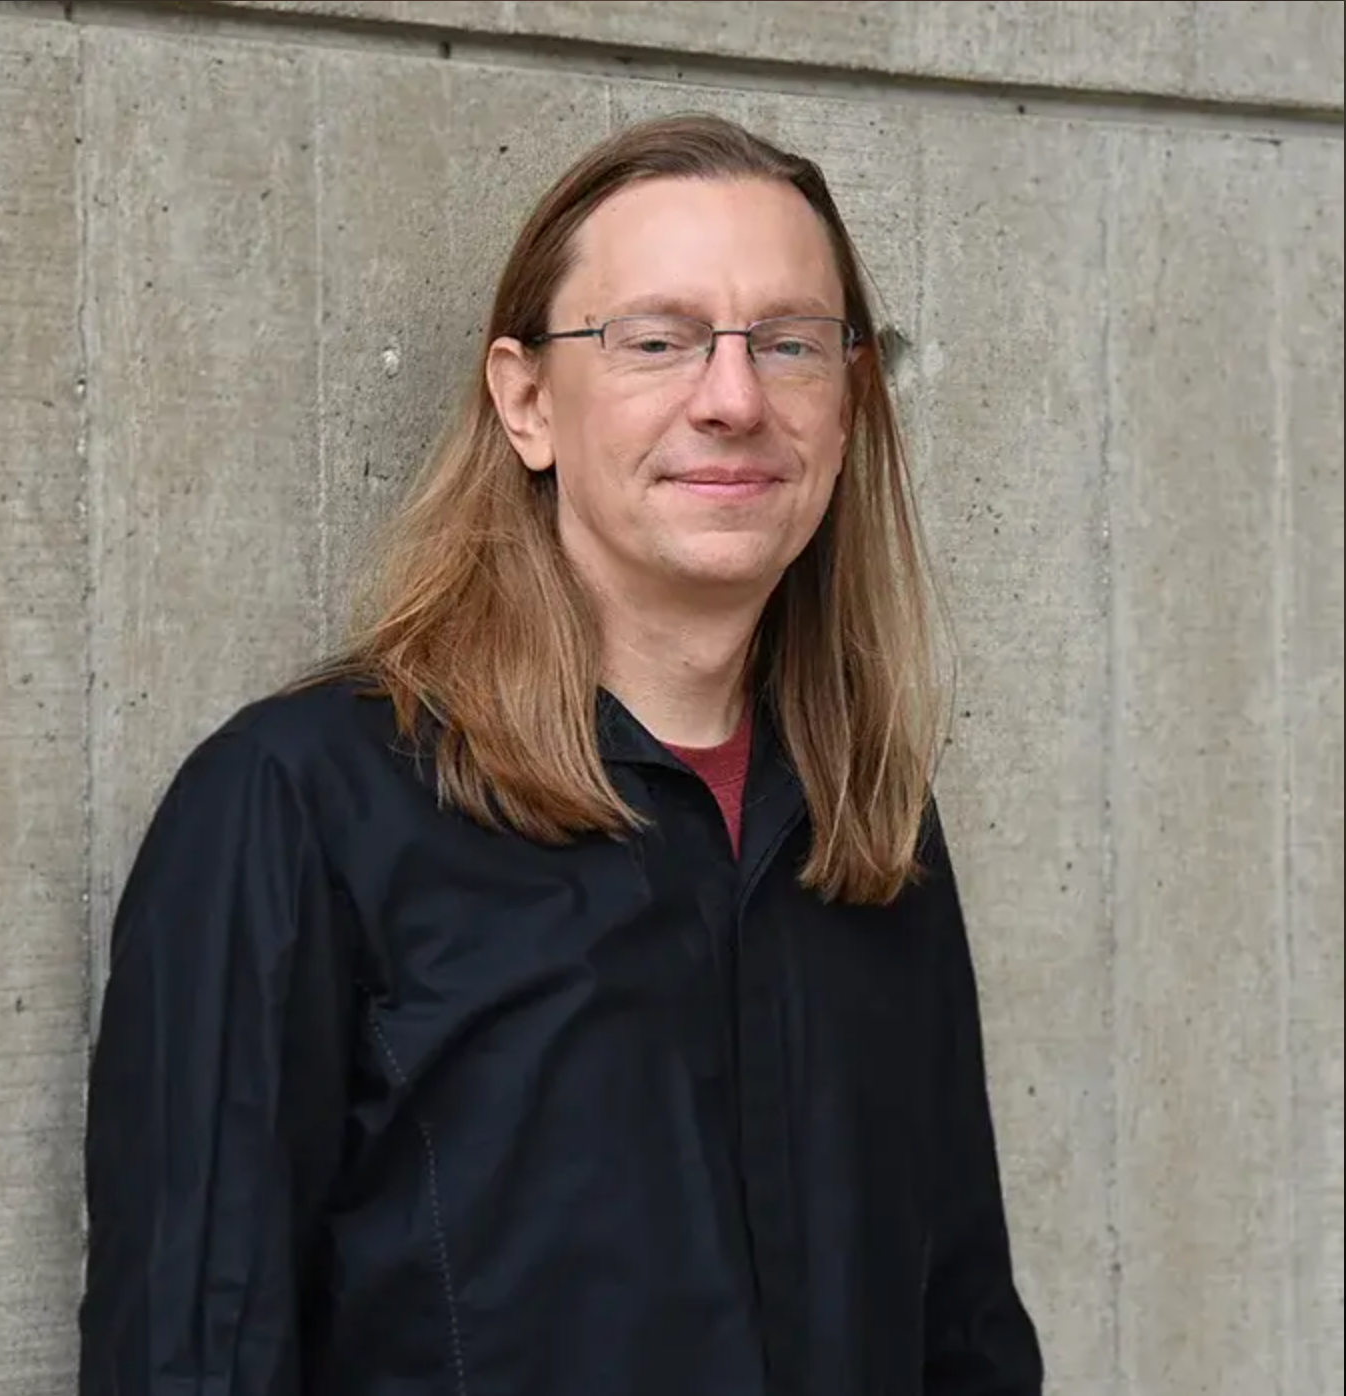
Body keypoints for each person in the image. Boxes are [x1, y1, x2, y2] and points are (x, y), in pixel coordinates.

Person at [78, 113, 1043, 1395]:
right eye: (656, 340)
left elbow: (963, 1335)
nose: (734, 399)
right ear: (527, 400)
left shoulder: (868, 822)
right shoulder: (299, 806)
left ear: (849, 403)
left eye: (789, 343)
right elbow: (187, 1357)